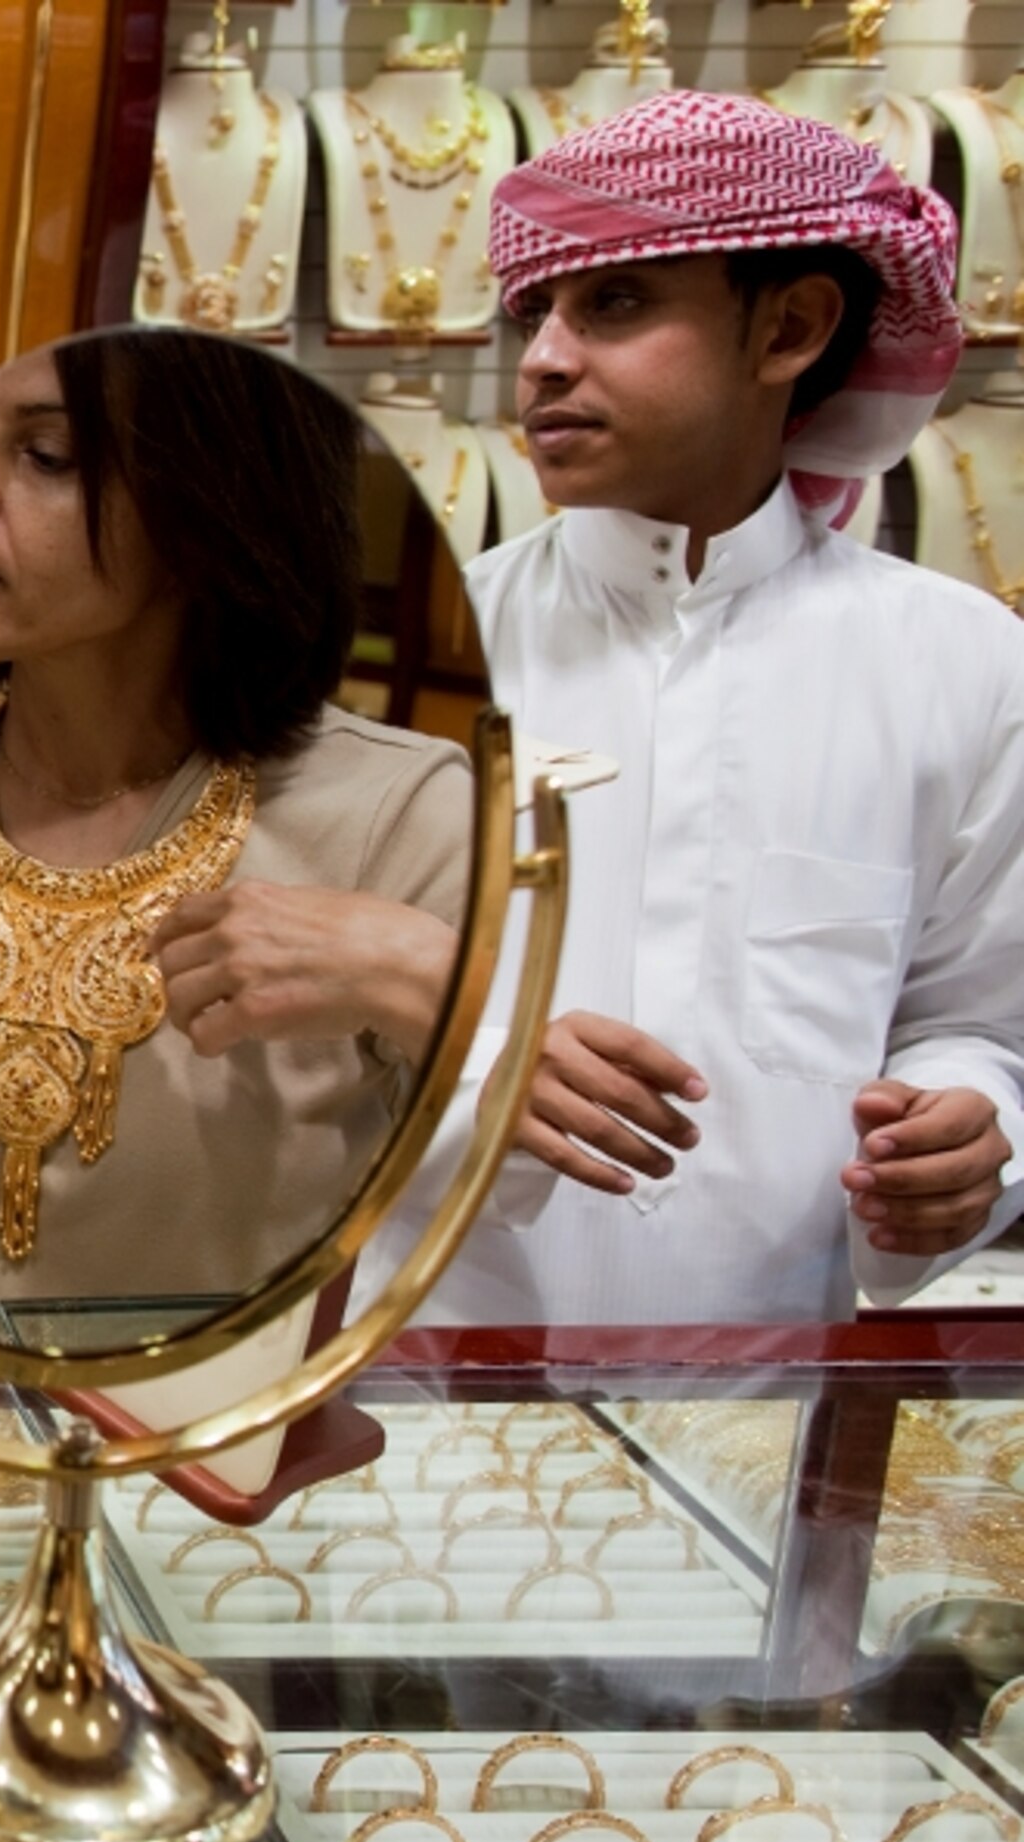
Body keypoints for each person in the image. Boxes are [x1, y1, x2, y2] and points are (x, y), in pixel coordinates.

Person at [366, 92, 1024, 1325]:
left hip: (771, 1428)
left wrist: (969, 1135)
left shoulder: (968, 667)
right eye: (534, 313)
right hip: (428, 1412)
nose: (545, 358)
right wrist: (473, 1067)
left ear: (791, 328)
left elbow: (978, 1020)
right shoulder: (432, 661)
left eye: (612, 304)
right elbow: (280, 1028)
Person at [0, 330, 470, 1307]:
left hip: (211, 1456)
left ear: (210, 505)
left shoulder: (399, 816)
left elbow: (509, 1193)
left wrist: (418, 981)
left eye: (46, 455)